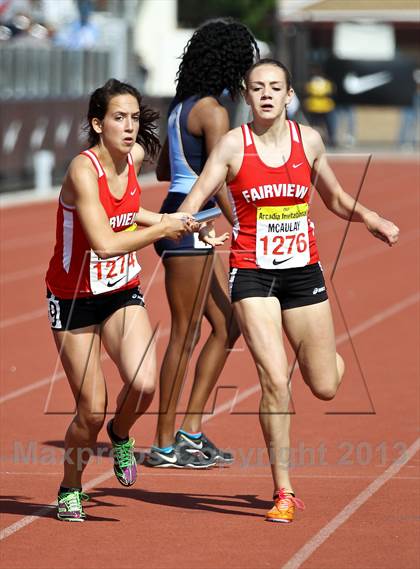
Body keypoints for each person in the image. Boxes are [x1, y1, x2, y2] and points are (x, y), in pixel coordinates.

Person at [180, 59, 400, 522]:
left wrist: (370, 218)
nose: (265, 95)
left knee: (324, 385)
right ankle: (284, 490)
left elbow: (335, 198)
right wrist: (197, 227)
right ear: (246, 95)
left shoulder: (310, 141)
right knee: (274, 381)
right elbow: (195, 199)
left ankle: (321, 356)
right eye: (257, 88)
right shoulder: (232, 146)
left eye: (274, 88)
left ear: (288, 94)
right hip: (252, 272)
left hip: (303, 273)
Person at [45, 78, 193, 522]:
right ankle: (70, 486)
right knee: (89, 410)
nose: (129, 127)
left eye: (134, 117)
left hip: (120, 292)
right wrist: (163, 230)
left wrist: (178, 220)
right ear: (97, 123)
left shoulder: (134, 159)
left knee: (145, 384)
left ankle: (122, 434)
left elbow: (128, 212)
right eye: (118, 118)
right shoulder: (82, 170)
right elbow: (106, 243)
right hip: (73, 300)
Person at [146, 19, 260, 468]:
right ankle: (163, 443)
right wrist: (248, 226)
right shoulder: (213, 111)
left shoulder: (180, 108)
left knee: (228, 324)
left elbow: (162, 174)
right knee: (185, 334)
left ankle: (189, 431)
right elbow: (219, 180)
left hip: (190, 221)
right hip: (192, 226)